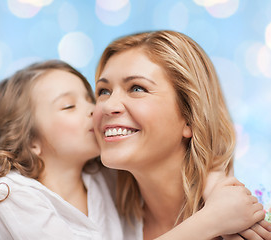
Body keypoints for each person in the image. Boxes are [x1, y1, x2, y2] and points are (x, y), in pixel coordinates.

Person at [0, 59, 264, 240]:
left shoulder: (104, 177)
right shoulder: (10, 193)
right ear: (29, 139)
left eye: (91, 98)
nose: (98, 110)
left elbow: (172, 160)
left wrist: (213, 186)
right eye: (70, 106)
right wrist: (212, 220)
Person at [93, 30, 271, 239]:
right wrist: (210, 220)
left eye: (137, 88)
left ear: (190, 117)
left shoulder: (254, 223)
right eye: (104, 91)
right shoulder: (96, 218)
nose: (108, 106)